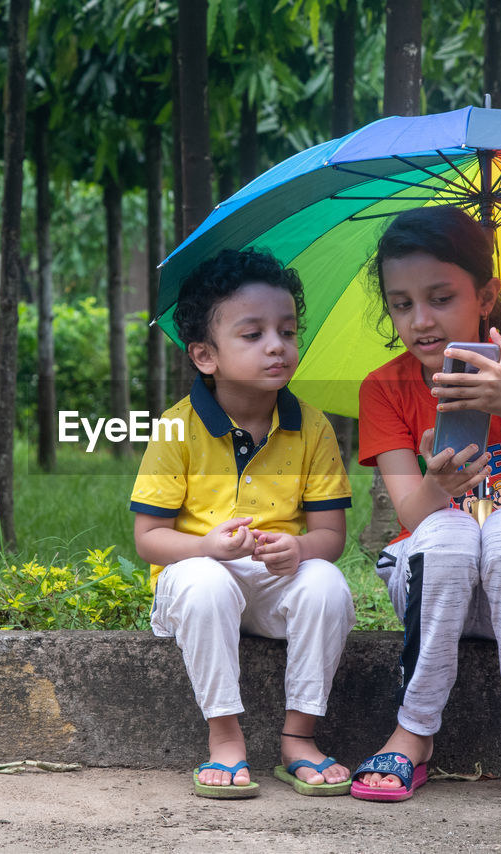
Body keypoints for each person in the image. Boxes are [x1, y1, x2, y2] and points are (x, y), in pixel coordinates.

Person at [349, 206, 501, 810]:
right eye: (401, 304)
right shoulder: (384, 388)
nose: (420, 321)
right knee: (450, 530)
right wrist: (439, 485)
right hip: (436, 586)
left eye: (440, 298)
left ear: (486, 296)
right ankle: (413, 733)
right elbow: (411, 512)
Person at [130, 248, 355, 799]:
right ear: (205, 355)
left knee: (328, 584)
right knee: (206, 582)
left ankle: (298, 738)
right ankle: (226, 739)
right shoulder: (177, 428)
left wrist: (299, 549)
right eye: (252, 335)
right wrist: (205, 545)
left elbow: (332, 538)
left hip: (276, 587)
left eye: (287, 331)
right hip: (199, 585)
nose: (277, 346)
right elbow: (148, 540)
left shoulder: (314, 427)